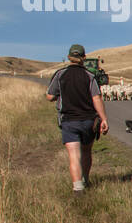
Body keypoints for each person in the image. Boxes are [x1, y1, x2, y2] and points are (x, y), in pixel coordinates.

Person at [46, 43, 109, 193]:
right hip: (88, 121)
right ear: (84, 58)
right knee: (86, 152)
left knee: (74, 155)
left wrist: (59, 95)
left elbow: (49, 96)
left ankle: (77, 187)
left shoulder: (60, 74)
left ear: (69, 57)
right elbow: (97, 98)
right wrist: (104, 118)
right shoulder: (89, 76)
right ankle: (85, 179)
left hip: (68, 121)